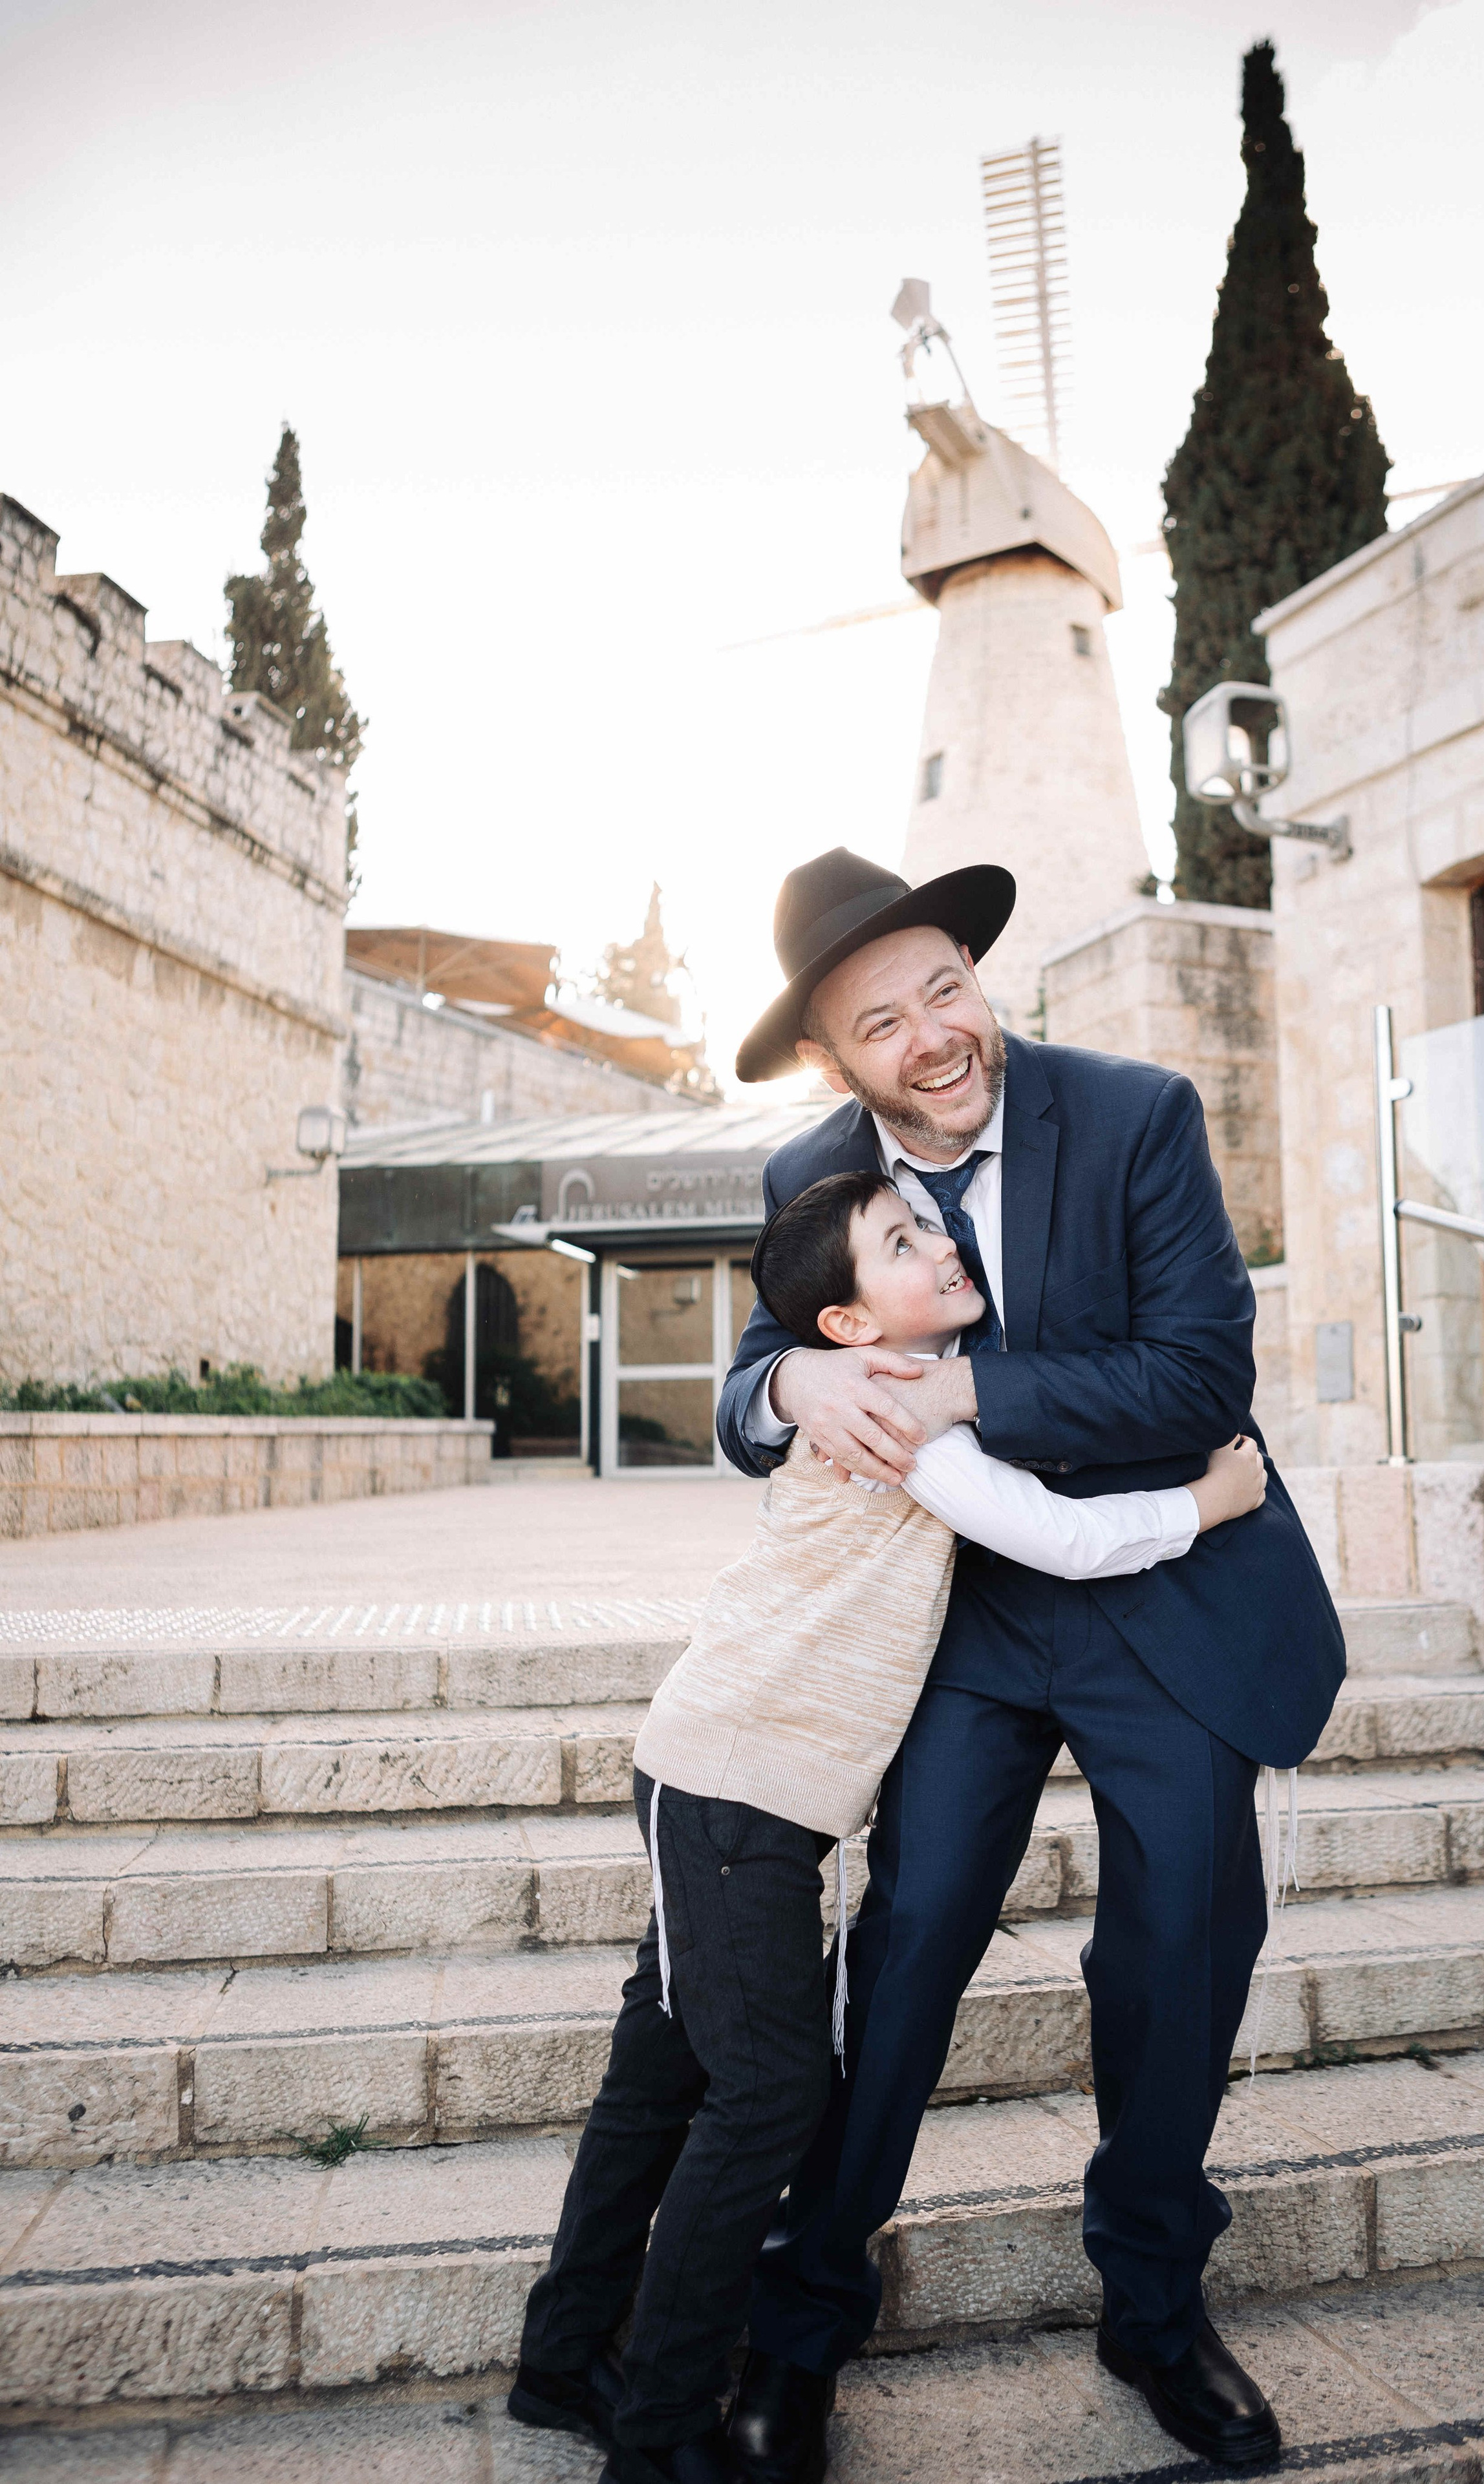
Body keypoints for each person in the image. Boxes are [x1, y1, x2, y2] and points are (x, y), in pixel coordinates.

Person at [716, 848, 1346, 2480]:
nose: (931, 1033)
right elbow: (753, 1376)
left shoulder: (1134, 1113)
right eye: (881, 1021)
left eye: (944, 987)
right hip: (964, 1621)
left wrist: (964, 1394)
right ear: (830, 1058)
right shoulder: (804, 1170)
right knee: (906, 1939)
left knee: (1176, 1950)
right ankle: (802, 2319)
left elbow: (1197, 1374)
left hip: (1169, 1590)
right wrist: (786, 1390)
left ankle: (1154, 2305)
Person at [509, 1163, 1267, 2484]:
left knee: (663, 2075)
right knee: (765, 2095)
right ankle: (663, 2426)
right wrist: (1207, 1503)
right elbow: (1055, 1537)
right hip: (732, 1793)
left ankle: (563, 2357)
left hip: (738, 1789)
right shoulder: (906, 1410)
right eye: (900, 1242)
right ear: (849, 1324)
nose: (938, 1240)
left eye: (925, 1224)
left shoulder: (913, 1381)